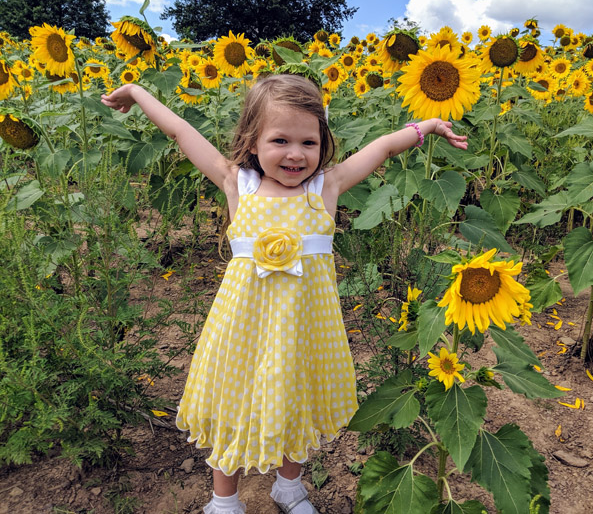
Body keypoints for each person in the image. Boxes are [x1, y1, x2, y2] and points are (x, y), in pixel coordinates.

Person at [101, 74, 468, 514]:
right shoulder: (237, 183)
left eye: (308, 143)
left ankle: (288, 489)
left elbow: (384, 147)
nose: (296, 154)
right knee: (234, 406)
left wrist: (424, 127)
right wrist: (138, 94)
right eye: (280, 140)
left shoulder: (325, 188)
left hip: (305, 329)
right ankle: (224, 500)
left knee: (300, 398)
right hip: (243, 331)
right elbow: (180, 130)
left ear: (322, 144)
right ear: (252, 142)